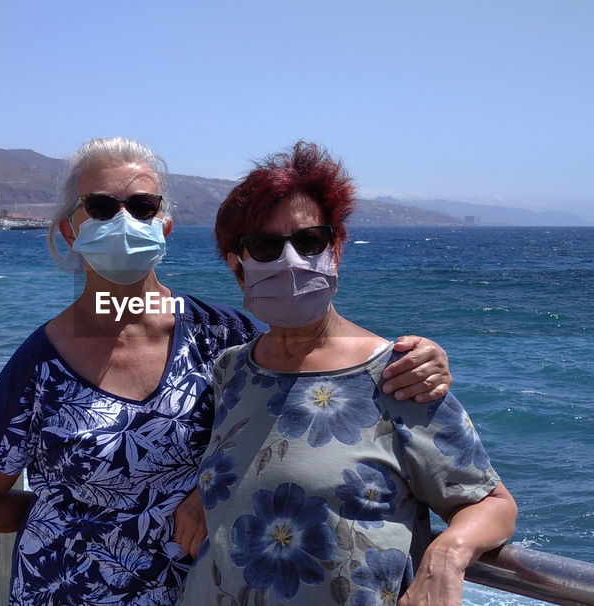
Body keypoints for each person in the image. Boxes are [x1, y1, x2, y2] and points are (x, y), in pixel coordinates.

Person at [0, 137, 456, 605]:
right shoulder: (40, 364)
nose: (123, 220)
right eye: (100, 207)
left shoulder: (224, 338)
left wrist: (417, 356)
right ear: (68, 230)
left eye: (142, 206)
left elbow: (314, 385)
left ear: (163, 224)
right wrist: (89, 521)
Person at [178, 142, 517, 606]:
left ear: (335, 250)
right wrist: (207, 498)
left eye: (309, 241)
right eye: (265, 245)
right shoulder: (232, 370)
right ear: (239, 269)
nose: (291, 260)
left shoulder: (399, 376)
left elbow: (492, 503)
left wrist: (449, 552)